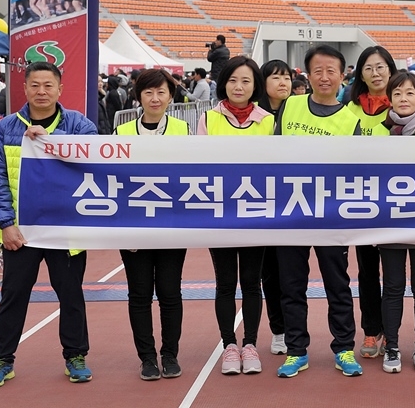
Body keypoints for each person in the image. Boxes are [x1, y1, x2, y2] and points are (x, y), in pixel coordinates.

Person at [0, 62, 99, 388]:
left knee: (71, 295)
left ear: (60, 89)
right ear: (25, 88)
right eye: (35, 85)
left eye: (48, 85)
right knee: (13, 295)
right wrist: (5, 223)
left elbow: (93, 161)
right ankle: (2, 359)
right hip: (22, 230)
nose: (42, 92)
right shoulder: (6, 128)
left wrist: (52, 139)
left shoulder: (79, 125)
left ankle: (76, 356)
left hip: (66, 229)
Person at [275, 45, 363, 378]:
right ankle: (296, 351)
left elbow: (354, 172)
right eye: (318, 71)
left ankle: (344, 348)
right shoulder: (291, 106)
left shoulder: (351, 120)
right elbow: (273, 154)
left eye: (331, 71)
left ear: (342, 76)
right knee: (291, 286)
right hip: (291, 212)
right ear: (307, 75)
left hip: (331, 215)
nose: (324, 77)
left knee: (337, 284)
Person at [197, 56, 274, 375]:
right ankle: (229, 345)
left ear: (255, 86)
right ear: (223, 84)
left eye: (245, 81)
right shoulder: (208, 118)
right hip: (221, 215)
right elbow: (198, 165)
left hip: (256, 213)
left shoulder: (268, 121)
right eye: (232, 80)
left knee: (252, 283)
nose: (238, 86)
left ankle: (251, 344)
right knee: (226, 283)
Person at [114, 69, 191, 381]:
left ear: (170, 96)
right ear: (138, 96)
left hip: (172, 226)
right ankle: (147, 358)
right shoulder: (121, 133)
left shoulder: (183, 130)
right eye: (148, 92)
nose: (155, 98)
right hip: (134, 228)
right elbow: (114, 181)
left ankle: (170, 355)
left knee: (170, 293)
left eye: (161, 92)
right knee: (139, 294)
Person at [370, 71, 415, 374]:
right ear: (389, 97)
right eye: (397, 93)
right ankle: (393, 347)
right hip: (390, 220)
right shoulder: (377, 131)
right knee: (393, 287)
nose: (403, 98)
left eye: (410, 93)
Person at [346, 45, 397, 357]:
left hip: (396, 201)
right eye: (368, 68)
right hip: (361, 201)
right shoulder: (348, 110)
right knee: (367, 271)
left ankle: (391, 332)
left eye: (380, 67)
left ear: (390, 70)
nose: (375, 73)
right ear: (360, 75)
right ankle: (371, 330)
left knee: (394, 272)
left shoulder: (403, 105)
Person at [255, 58, 294, 356]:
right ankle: (279, 330)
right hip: (262, 204)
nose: (283, 83)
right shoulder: (255, 115)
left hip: (294, 203)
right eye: (276, 77)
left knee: (292, 273)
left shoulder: (300, 110)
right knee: (270, 274)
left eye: (287, 78)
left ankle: (294, 329)